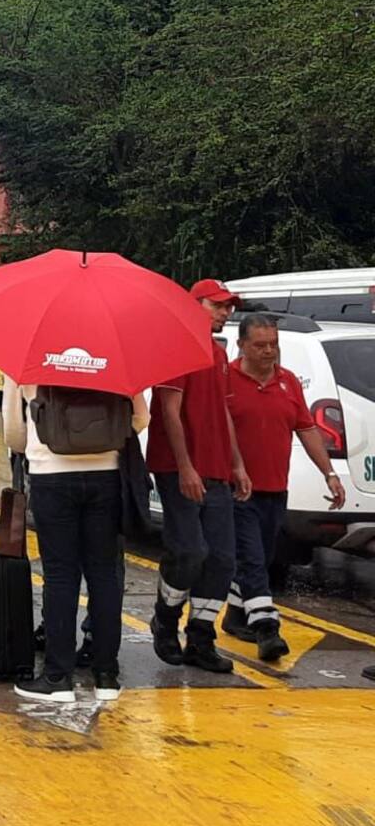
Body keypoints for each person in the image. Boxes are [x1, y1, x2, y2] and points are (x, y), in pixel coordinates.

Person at [3, 378, 149, 703]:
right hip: (107, 475)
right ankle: (107, 676)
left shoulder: (26, 359)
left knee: (59, 577)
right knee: (104, 575)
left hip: (50, 476)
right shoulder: (115, 355)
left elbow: (13, 433)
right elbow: (141, 418)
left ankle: (57, 677)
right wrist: (101, 439)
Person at [222, 314, 345, 661]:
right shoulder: (226, 379)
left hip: (276, 488)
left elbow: (306, 429)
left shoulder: (288, 382)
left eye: (273, 344)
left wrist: (329, 473)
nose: (268, 352)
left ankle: (235, 616)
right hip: (239, 488)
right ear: (242, 345)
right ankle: (266, 629)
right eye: (260, 345)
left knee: (259, 555)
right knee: (253, 559)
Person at [147, 279, 252, 674]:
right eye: (219, 306)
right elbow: (170, 411)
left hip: (216, 468)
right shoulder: (176, 346)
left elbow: (223, 413)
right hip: (180, 468)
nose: (227, 313)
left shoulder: (220, 353)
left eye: (229, 307)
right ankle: (166, 620)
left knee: (223, 558)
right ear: (195, 305)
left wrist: (237, 464)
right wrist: (185, 466)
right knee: (190, 550)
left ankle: (201, 638)